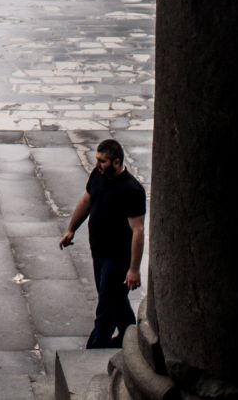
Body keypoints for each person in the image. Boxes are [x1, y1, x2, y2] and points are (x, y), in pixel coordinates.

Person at [60, 138, 146, 349]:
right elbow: (86, 201)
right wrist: (71, 229)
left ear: (117, 162)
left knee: (105, 308)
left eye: (102, 161)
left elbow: (138, 231)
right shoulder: (97, 176)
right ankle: (131, 338)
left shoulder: (131, 190)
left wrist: (134, 270)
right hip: (98, 252)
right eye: (97, 159)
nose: (97, 164)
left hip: (117, 259)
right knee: (115, 301)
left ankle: (93, 350)